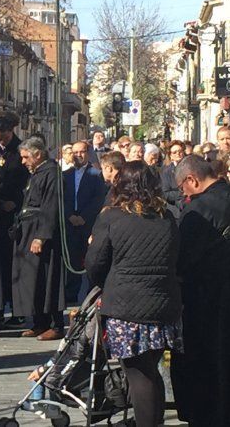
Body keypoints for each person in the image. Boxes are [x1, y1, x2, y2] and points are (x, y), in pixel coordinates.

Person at [86, 161, 182, 427]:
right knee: (151, 371)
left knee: (138, 374)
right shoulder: (168, 216)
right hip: (163, 304)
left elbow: (95, 264)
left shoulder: (111, 216)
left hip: (127, 307)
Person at [170, 154, 230, 426]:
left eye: (182, 187)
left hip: (207, 296)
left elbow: (183, 256)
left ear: (192, 180)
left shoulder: (198, 209)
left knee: (208, 359)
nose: (182, 193)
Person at [13, 137, 65, 341]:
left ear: (38, 154)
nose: (24, 161)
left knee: (47, 278)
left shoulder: (52, 173)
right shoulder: (37, 173)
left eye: (26, 157)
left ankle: (55, 324)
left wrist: (41, 236)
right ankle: (39, 321)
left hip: (41, 232)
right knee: (34, 279)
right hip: (28, 228)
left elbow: (51, 206)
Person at [0, 112, 30, 327]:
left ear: (11, 131)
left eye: (4, 134)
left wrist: (14, 202)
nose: (1, 138)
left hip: (14, 213)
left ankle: (18, 309)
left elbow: (24, 182)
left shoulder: (19, 150)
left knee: (14, 264)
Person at [62, 141, 105, 303]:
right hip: (71, 222)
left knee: (90, 259)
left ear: (87, 153)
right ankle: (70, 293)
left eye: (81, 152)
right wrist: (69, 215)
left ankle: (91, 293)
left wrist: (84, 217)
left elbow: (98, 198)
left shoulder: (95, 174)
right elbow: (62, 199)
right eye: (75, 152)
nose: (78, 155)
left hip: (88, 223)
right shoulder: (65, 175)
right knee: (72, 258)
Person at [161, 140, 185, 217]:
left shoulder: (191, 167)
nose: (178, 154)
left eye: (180, 151)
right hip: (175, 211)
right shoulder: (166, 171)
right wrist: (183, 194)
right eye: (174, 152)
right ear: (170, 155)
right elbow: (165, 193)